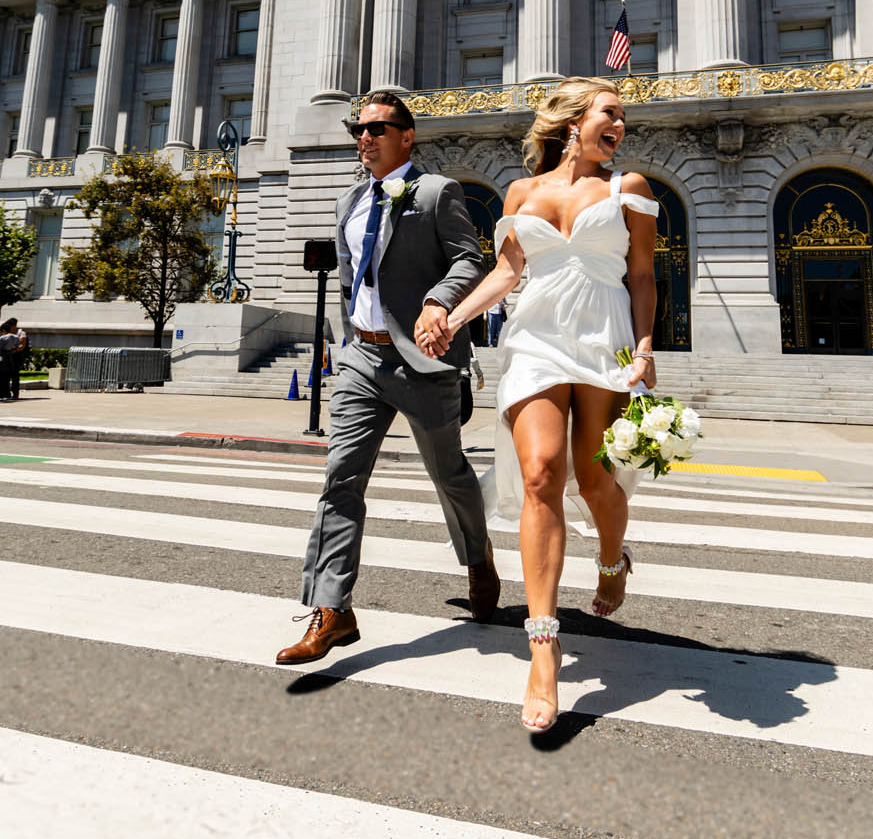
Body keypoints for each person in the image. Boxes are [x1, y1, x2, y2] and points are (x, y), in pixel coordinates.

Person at [416, 78, 658, 734]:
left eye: (623, 118)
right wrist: (451, 316)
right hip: (537, 342)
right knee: (542, 474)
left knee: (595, 475)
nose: (621, 126)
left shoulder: (627, 189)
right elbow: (506, 273)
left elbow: (641, 275)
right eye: (611, 114)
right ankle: (543, 648)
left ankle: (612, 560)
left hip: (603, 340)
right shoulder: (521, 194)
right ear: (575, 120)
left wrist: (643, 349)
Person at [276, 90, 500, 666]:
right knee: (340, 480)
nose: (364, 136)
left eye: (378, 127)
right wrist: (348, 338)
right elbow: (357, 280)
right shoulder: (349, 199)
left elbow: (470, 260)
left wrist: (437, 303)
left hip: (423, 361)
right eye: (359, 128)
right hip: (362, 358)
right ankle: (332, 609)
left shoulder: (435, 191)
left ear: (407, 136)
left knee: (448, 473)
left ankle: (478, 558)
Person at [0, 319, 20, 402]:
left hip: (1, 356)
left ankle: (0, 394)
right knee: (7, 376)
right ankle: (8, 394)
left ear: (4, 330)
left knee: (0, 376)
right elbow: (17, 347)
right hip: (10, 357)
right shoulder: (16, 337)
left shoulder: (2, 337)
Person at [11, 323, 30, 400]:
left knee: (15, 375)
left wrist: (13, 350)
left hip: (17, 357)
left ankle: (15, 393)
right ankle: (7, 393)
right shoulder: (12, 333)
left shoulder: (21, 333)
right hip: (12, 356)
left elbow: (21, 346)